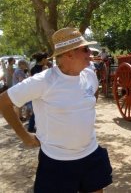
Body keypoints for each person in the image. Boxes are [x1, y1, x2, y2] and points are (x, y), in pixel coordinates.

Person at [0, 27, 112, 192]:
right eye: (85, 49)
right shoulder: (43, 81)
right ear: (69, 54)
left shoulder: (89, 75)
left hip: (91, 154)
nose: (90, 53)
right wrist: (24, 136)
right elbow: (3, 102)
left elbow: (93, 94)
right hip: (57, 162)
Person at [27, 52, 49, 132]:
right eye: (46, 58)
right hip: (43, 92)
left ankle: (30, 127)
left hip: (35, 92)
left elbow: (31, 79)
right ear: (43, 59)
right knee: (42, 111)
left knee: (36, 110)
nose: (47, 60)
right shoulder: (45, 68)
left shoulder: (33, 68)